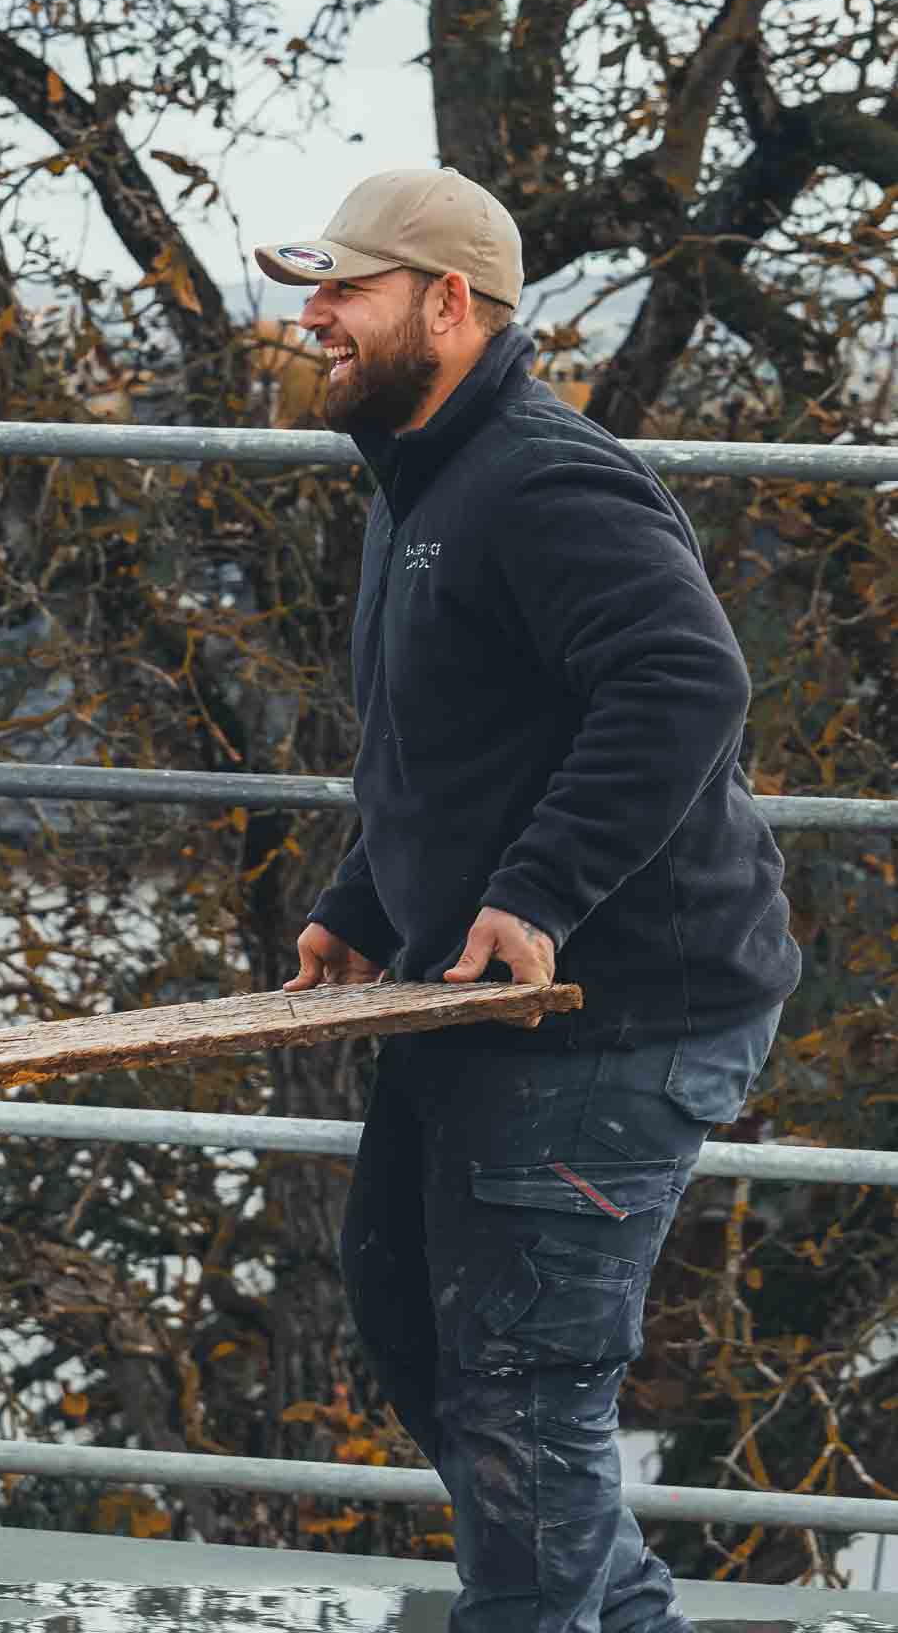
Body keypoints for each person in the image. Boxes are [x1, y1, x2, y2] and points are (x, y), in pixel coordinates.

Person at [253, 168, 800, 1633]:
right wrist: (372, 893)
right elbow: (455, 740)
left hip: (617, 1012)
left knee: (518, 1403)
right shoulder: (420, 481)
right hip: (480, 1001)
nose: (314, 315)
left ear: (449, 305)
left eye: (346, 289)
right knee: (430, 1349)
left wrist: (543, 891)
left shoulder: (546, 479)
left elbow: (686, 682)